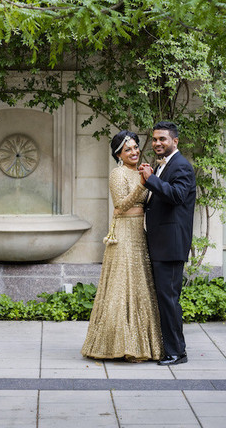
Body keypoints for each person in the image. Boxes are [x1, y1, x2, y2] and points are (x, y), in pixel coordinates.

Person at [81, 130, 163, 362]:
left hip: (139, 232)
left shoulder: (140, 171)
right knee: (122, 285)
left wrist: (148, 179)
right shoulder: (118, 174)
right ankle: (116, 344)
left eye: (135, 147)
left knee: (140, 285)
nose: (134, 151)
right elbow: (121, 204)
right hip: (124, 232)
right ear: (119, 154)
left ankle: (143, 344)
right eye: (128, 149)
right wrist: (143, 184)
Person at [139, 121, 196, 366]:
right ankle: (169, 348)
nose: (157, 143)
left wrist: (151, 179)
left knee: (169, 299)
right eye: (155, 139)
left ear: (175, 141)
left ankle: (177, 353)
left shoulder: (182, 166)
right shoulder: (164, 165)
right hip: (161, 243)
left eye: (162, 139)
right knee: (164, 298)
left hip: (171, 246)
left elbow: (175, 196)